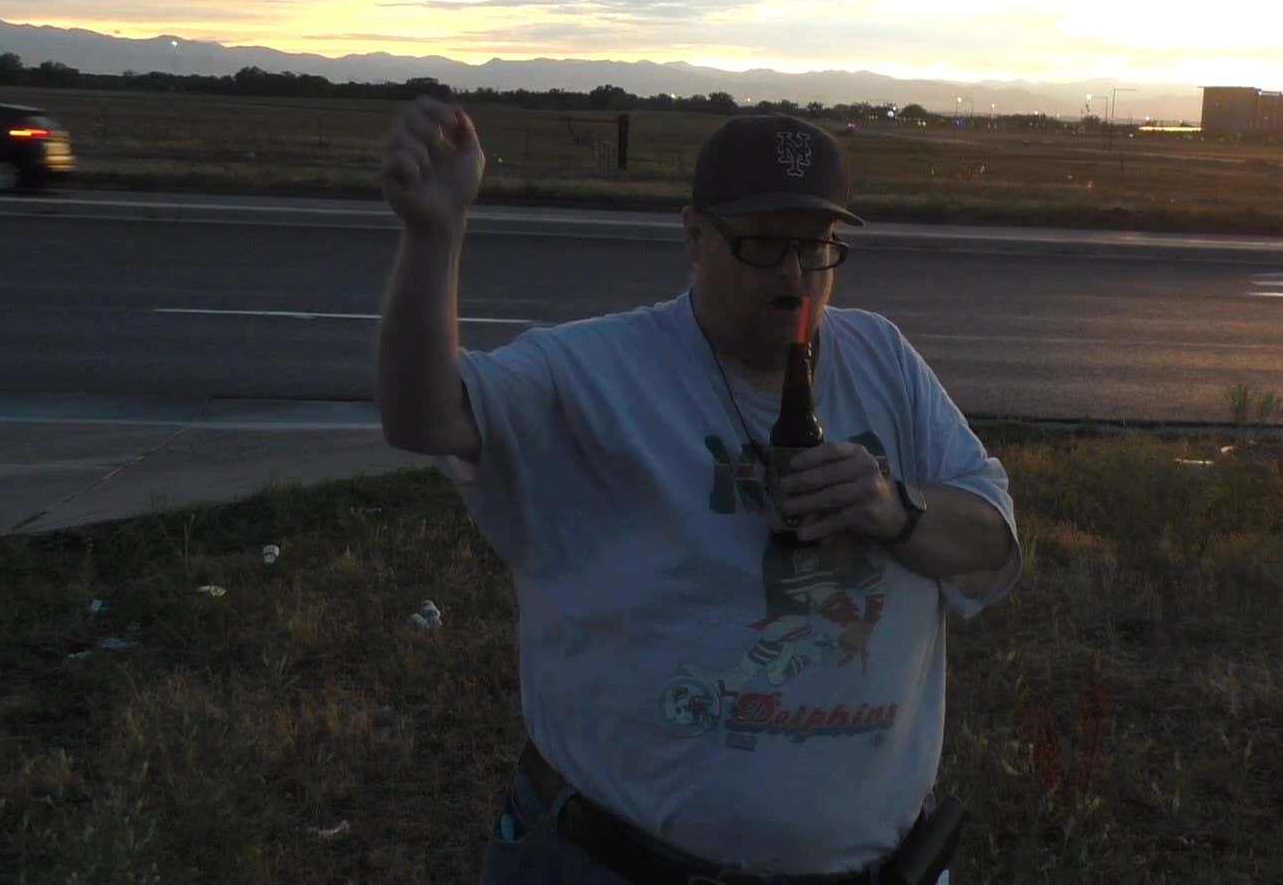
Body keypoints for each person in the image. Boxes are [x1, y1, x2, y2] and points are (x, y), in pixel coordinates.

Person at [376, 98, 1021, 884]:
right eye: (762, 244)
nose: (795, 277)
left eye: (816, 246)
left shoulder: (880, 357)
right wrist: (433, 235)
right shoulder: (601, 371)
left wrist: (895, 508)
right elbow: (425, 415)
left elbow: (992, 535)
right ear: (693, 236)